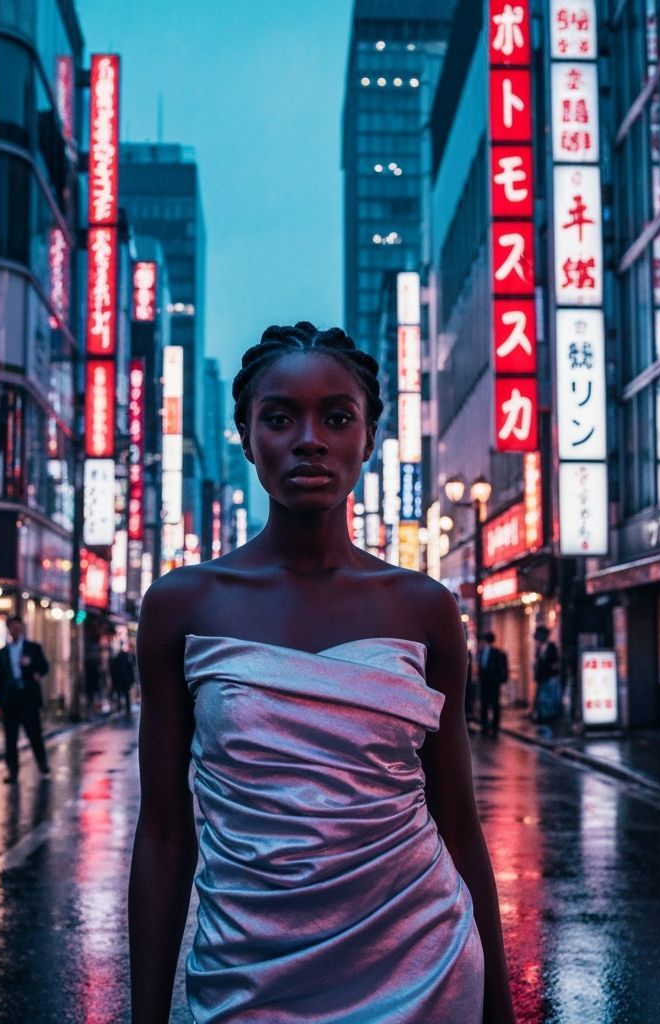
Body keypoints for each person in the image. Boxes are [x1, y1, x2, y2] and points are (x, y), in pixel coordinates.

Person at [129, 323, 516, 1024]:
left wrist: (500, 1012)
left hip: (423, 972)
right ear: (247, 437)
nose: (310, 438)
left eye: (337, 417)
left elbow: (457, 822)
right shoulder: (181, 605)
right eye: (279, 417)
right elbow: (162, 831)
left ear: (367, 438)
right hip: (244, 982)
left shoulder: (424, 608)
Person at [0, 615, 50, 782]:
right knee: (10, 739)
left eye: (17, 626)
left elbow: (45, 667)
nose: (15, 630)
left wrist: (31, 666)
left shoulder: (33, 648)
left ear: (22, 628)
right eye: (12, 627)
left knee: (35, 734)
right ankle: (12, 772)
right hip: (10, 699)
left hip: (28, 697)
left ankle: (42, 764)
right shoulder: (2, 653)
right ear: (9, 630)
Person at [479, 631, 509, 738]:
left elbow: (502, 667)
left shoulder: (497, 652)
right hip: (484, 683)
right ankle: (484, 726)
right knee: (484, 704)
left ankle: (495, 727)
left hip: (493, 683)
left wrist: (501, 679)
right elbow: (481, 667)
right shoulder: (482, 652)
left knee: (495, 705)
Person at [532, 625, 561, 723]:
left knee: (549, 697)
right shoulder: (539, 648)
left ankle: (549, 716)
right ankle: (542, 715)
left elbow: (554, 661)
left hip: (549, 676)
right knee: (542, 697)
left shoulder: (551, 646)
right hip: (542, 677)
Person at [110, 643, 136, 713]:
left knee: (120, 694)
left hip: (120, 680)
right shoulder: (126, 658)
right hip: (125, 680)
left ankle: (120, 707)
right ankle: (127, 708)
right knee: (126, 694)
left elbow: (113, 671)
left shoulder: (116, 659)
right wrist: (132, 679)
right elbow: (130, 669)